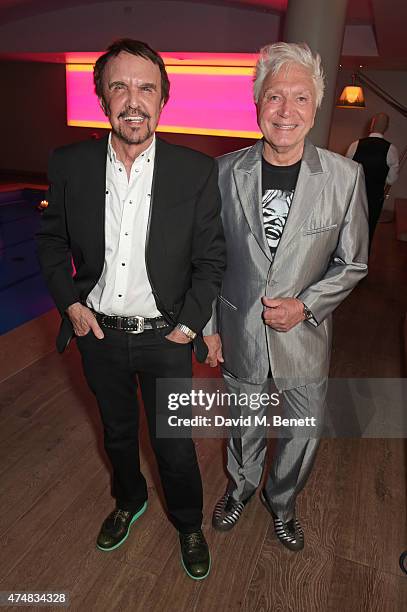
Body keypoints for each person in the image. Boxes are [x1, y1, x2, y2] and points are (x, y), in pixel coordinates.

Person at [36, 38, 225, 580]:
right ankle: (128, 499)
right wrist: (71, 306)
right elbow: (51, 242)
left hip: (165, 336)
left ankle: (188, 523)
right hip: (96, 333)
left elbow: (211, 259)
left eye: (146, 87)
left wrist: (189, 324)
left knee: (174, 443)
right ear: (102, 98)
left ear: (164, 99)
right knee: (117, 434)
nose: (133, 99)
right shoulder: (70, 164)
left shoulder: (194, 171)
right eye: (120, 86)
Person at [204, 42, 369, 551]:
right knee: (243, 424)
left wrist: (306, 305)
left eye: (299, 98)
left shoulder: (345, 177)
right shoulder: (224, 172)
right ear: (257, 104)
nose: (285, 111)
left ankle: (283, 501)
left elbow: (354, 262)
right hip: (239, 332)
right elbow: (208, 260)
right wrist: (209, 329)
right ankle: (243, 486)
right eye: (274, 97)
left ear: (315, 108)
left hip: (305, 337)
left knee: (301, 431)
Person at [346, 112, 399, 249]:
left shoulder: (355, 145)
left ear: (372, 124)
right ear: (386, 127)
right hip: (374, 198)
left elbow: (345, 171)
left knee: (348, 229)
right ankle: (362, 264)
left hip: (353, 196)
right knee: (368, 231)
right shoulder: (391, 150)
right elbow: (391, 179)